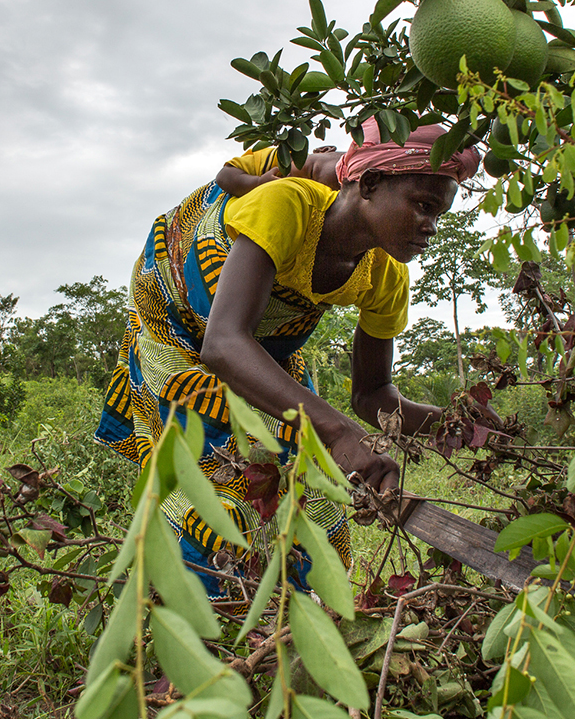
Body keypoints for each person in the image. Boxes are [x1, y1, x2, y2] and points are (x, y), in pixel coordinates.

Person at [95, 119, 480, 603]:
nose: (431, 226)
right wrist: (337, 431)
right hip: (182, 326)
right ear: (371, 184)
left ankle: (299, 619)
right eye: (423, 206)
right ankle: (202, 627)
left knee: (313, 484)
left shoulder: (386, 276)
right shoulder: (287, 204)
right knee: (216, 480)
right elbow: (223, 345)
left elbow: (372, 396)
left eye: (439, 214)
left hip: (263, 346)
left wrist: (464, 429)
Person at [216, 144, 344, 196]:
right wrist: (258, 182)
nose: (302, 183)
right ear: (323, 150)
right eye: (311, 172)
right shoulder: (280, 157)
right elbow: (225, 176)